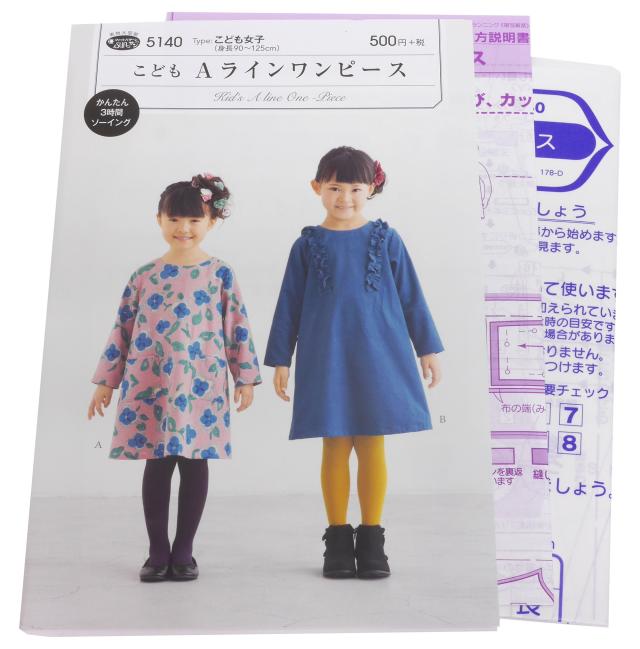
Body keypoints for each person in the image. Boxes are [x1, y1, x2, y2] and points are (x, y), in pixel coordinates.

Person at [264, 146, 443, 579]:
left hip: (379, 353)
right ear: (317, 188)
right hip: (326, 355)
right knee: (335, 443)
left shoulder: (386, 239)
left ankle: (373, 539)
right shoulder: (306, 245)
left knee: (372, 443)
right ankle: (338, 540)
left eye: (355, 188)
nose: (345, 197)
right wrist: (280, 359)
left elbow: (412, 296)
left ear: (371, 189)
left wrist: (428, 348)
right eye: (335, 188)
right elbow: (288, 303)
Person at [88, 173, 261, 582]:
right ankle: (156, 552)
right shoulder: (144, 275)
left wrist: (244, 377)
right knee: (158, 462)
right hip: (151, 384)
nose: (184, 228)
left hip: (202, 385)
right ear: (159, 220)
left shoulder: (220, 274)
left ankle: (184, 551)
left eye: (194, 220)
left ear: (211, 222)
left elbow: (237, 326)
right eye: (175, 219)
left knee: (195, 462)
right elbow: (122, 329)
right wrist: (106, 382)